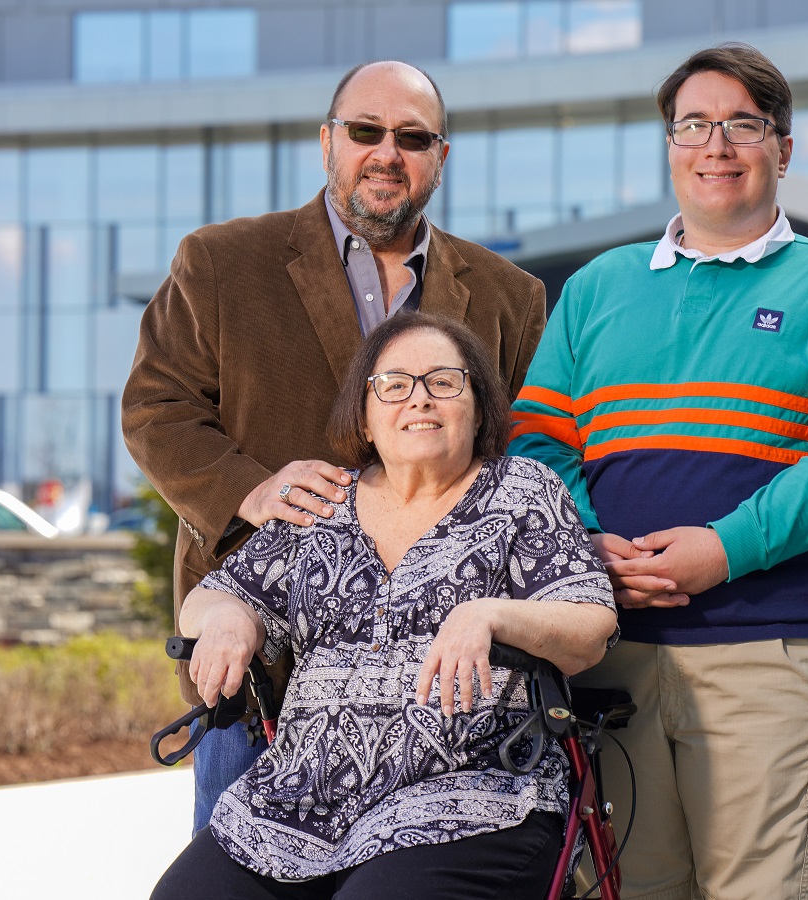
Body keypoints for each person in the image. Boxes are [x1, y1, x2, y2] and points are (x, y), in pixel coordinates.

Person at [509, 43, 808, 899]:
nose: (716, 146)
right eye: (693, 125)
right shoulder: (595, 289)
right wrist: (591, 545)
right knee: (626, 889)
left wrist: (722, 549)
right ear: (670, 145)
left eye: (742, 124)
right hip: (613, 656)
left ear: (784, 147)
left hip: (773, 654)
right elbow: (538, 445)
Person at [121, 60, 546, 834]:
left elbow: (525, 459)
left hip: (444, 691)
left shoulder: (509, 296)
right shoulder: (221, 263)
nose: (388, 153)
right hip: (264, 668)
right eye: (365, 131)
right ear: (328, 142)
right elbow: (156, 407)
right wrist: (245, 490)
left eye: (413, 138)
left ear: (440, 158)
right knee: (245, 879)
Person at [151, 313, 616, 900]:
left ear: (478, 407)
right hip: (297, 800)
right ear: (364, 416)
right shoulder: (325, 500)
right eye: (394, 385)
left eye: (445, 382)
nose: (418, 400)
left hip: (467, 799)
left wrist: (488, 614)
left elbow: (589, 622)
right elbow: (215, 594)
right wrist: (224, 622)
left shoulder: (521, 490)